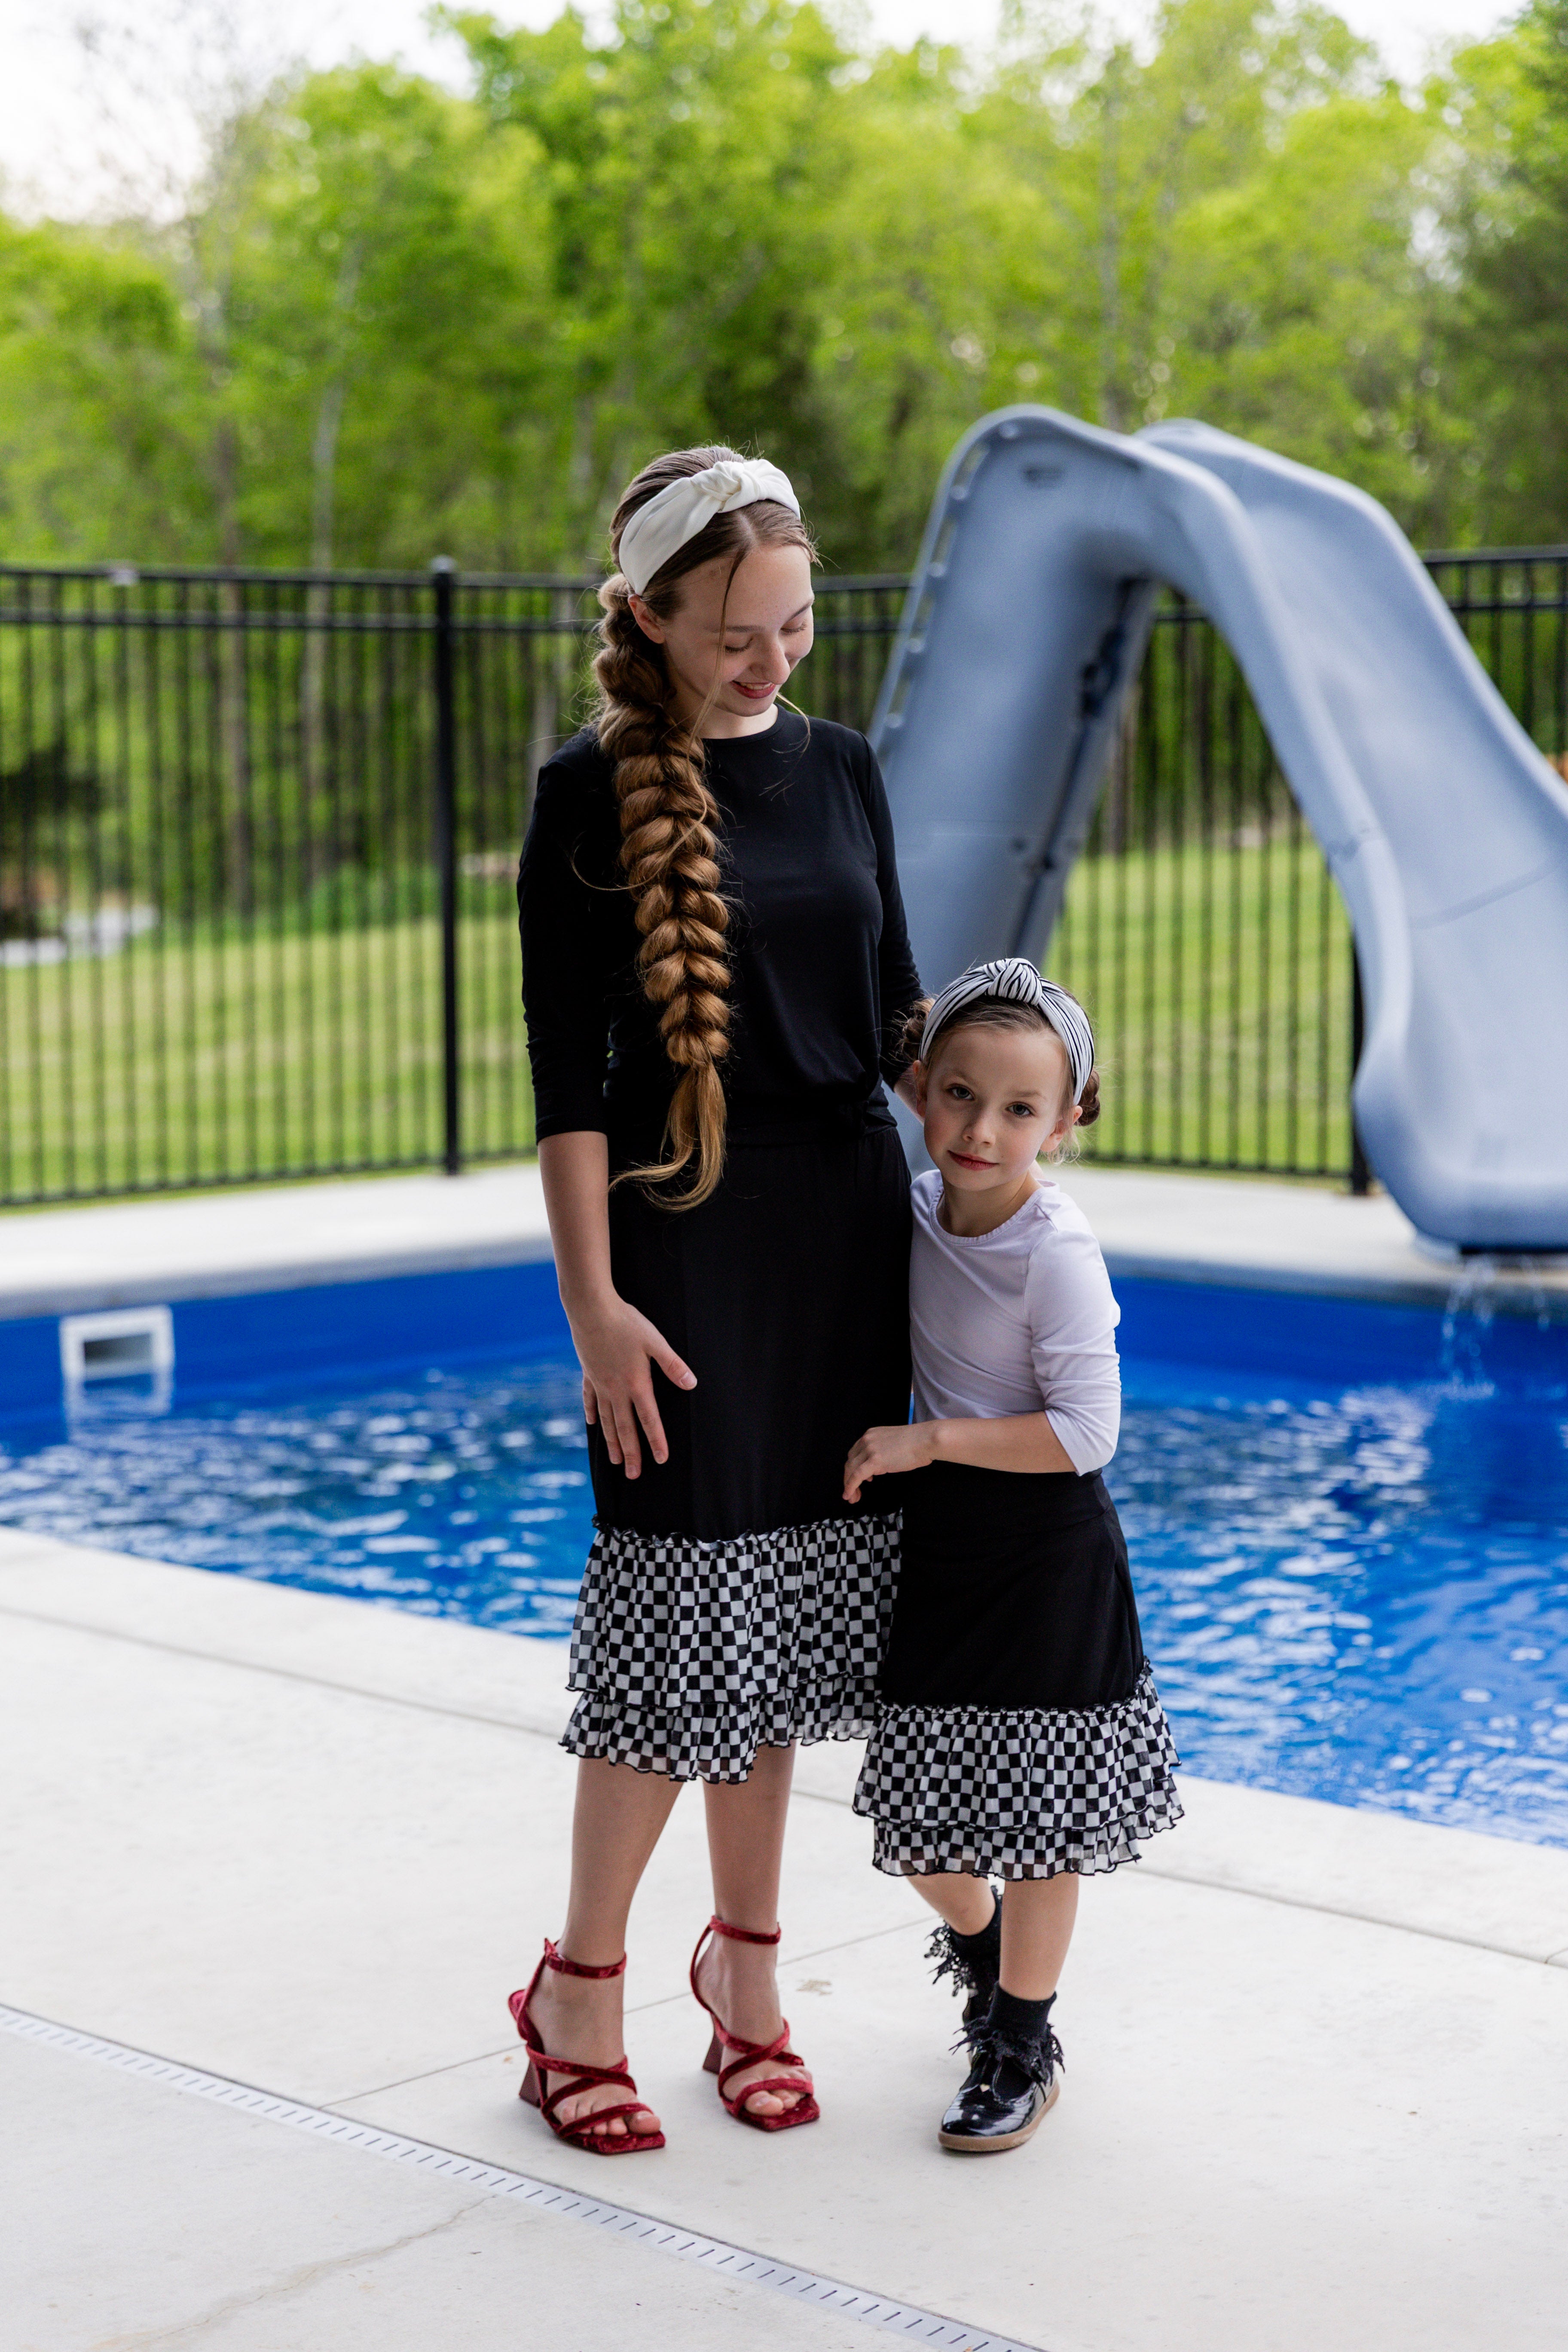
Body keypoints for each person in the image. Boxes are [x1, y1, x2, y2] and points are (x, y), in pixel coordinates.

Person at [511, 446, 923, 2154]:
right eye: (741, 633)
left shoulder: (842, 768)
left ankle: (748, 1977)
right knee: (675, 1651)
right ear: (654, 616)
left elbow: (891, 1009)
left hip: (843, 1241)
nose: (775, 661)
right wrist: (594, 1307)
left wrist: (1018, 1088)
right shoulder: (580, 796)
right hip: (679, 1255)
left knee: (783, 1636)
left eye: (798, 625)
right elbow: (565, 1088)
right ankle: (578, 1992)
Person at [844, 956, 1182, 2154]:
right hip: (941, 1549)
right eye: (957, 1096)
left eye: (1020, 1109)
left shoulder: (1055, 1250)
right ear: (919, 1088)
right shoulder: (920, 1205)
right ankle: (986, 1958)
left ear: (1070, 1116)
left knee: (1038, 1827)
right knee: (928, 1831)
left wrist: (929, 1436)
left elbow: (1091, 1434)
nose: (981, 1131)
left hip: (1044, 1554)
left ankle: (1019, 2042)